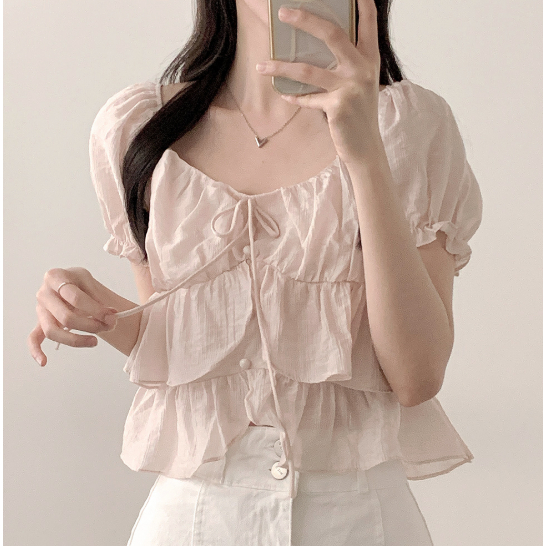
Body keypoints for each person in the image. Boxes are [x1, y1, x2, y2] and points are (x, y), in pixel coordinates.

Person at [28, 0, 483, 543]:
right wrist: (96, 310)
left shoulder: (409, 125)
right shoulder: (140, 129)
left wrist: (365, 155)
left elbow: (416, 376)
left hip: (358, 520)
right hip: (197, 520)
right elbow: (183, 351)